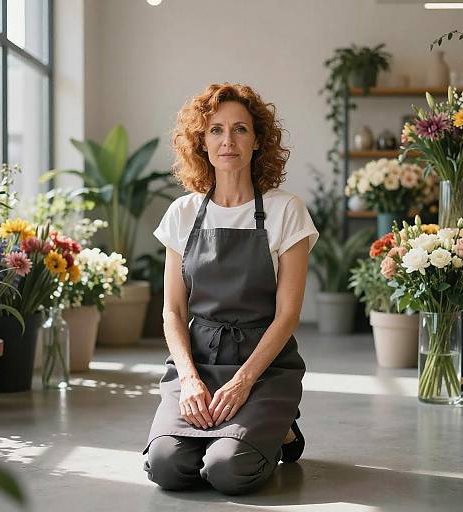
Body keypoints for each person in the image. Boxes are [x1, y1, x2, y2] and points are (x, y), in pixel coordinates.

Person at [142, 82, 319, 495]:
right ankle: (246, 431)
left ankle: (281, 431)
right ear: (202, 142)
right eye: (216, 130)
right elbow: (172, 311)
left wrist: (242, 382)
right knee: (165, 467)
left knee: (228, 470)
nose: (228, 140)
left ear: (258, 141)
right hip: (198, 362)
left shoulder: (285, 210)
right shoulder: (182, 212)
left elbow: (288, 314)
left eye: (240, 129)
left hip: (263, 366)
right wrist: (188, 378)